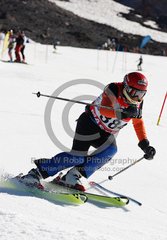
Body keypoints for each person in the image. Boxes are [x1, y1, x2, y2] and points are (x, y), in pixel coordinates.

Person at [21, 72, 156, 191]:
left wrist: (145, 144)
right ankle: (36, 173)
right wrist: (123, 113)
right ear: (126, 87)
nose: (137, 97)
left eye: (142, 94)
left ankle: (72, 176)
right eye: (135, 93)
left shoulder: (138, 103)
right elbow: (104, 110)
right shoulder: (113, 89)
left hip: (105, 133)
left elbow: (138, 122)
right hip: (89, 123)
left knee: (110, 150)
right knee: (77, 156)